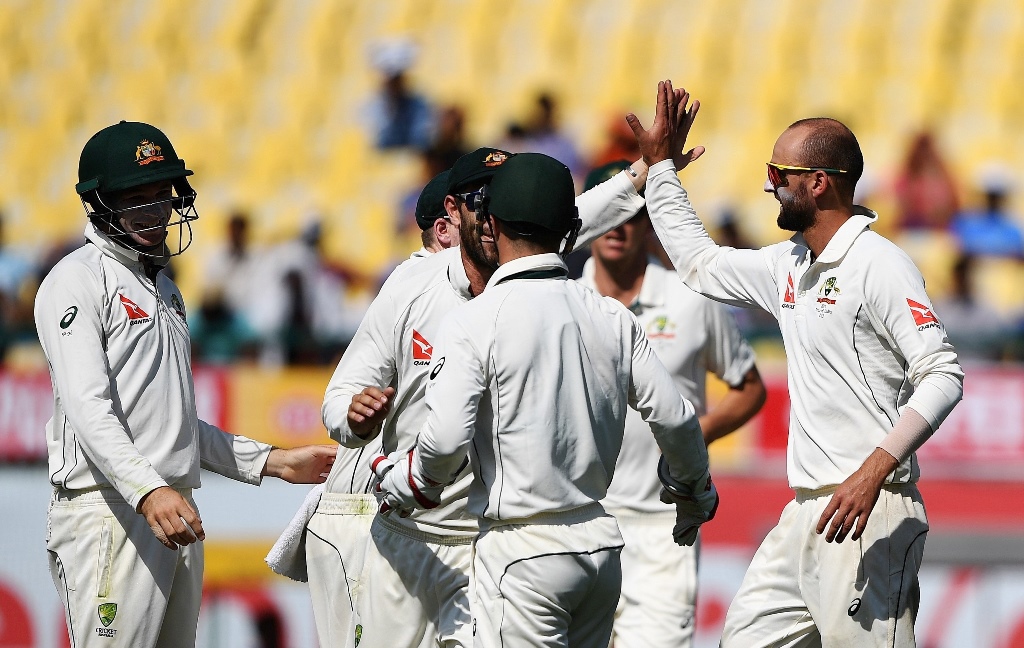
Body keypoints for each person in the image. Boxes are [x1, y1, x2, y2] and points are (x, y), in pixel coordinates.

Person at [628, 82, 964, 647]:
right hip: (805, 514)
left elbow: (943, 374)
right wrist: (661, 170)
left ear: (819, 183)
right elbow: (700, 264)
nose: (768, 185)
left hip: (869, 511)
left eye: (778, 173)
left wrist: (872, 470)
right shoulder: (790, 262)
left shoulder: (879, 264)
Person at [319, 143, 657, 648]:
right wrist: (355, 415)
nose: (494, 214)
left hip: (488, 546)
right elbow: (338, 401)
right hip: (410, 538)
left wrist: (642, 173)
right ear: (453, 212)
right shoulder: (414, 284)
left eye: (500, 200)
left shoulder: (530, 269)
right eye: (479, 199)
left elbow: (575, 213)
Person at [374, 153, 718, 648]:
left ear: (490, 224)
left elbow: (445, 443)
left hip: (522, 551)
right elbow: (676, 418)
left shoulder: (474, 321)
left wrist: (402, 481)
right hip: (599, 548)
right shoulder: (613, 316)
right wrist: (695, 494)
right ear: (571, 227)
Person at [33, 121, 337, 648]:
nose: (154, 214)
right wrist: (147, 489)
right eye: (136, 200)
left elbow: (171, 425)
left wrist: (272, 461)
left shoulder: (165, 289)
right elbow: (88, 409)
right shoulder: (75, 281)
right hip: (110, 511)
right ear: (99, 203)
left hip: (170, 508)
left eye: (161, 197)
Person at [578, 161, 767, 648]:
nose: (618, 227)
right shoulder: (561, 299)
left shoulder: (690, 297)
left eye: (633, 214)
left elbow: (748, 387)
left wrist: (692, 433)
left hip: (663, 526)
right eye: (608, 212)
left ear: (648, 222)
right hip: (575, 521)